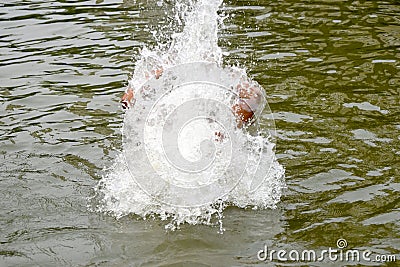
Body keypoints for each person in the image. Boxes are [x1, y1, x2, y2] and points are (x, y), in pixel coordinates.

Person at [120, 66, 263, 129]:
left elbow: (254, 95)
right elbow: (127, 98)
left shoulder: (221, 75)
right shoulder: (172, 67)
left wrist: (228, 123)